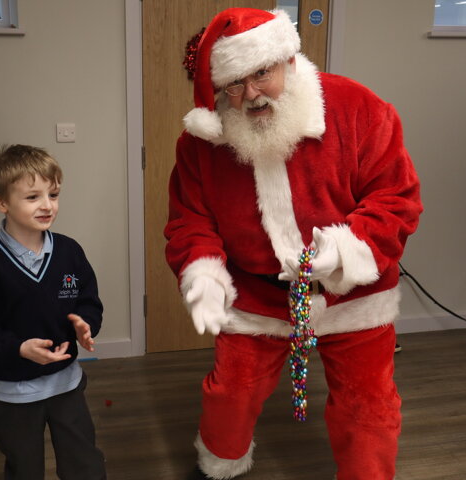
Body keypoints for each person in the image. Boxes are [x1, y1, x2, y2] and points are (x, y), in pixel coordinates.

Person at [164, 8, 422, 480]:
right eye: (235, 84)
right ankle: (219, 467)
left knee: (368, 406)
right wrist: (202, 274)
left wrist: (345, 250)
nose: (251, 94)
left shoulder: (358, 107)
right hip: (257, 294)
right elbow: (190, 220)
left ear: (286, 59)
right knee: (231, 394)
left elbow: (396, 198)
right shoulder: (201, 142)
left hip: (355, 294)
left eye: (261, 73)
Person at [0, 145, 106, 480]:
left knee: (84, 463)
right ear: (1, 202)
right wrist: (18, 348)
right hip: (13, 393)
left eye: (53, 195)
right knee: (24, 468)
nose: (47, 205)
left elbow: (88, 301)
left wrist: (85, 324)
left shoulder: (69, 251)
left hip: (67, 384)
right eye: (32, 197)